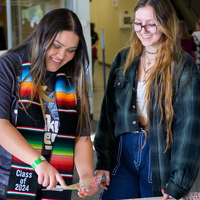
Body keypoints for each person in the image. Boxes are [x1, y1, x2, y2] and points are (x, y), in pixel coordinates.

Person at [94, 0, 200, 199]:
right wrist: (103, 162)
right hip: (122, 151)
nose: (143, 30)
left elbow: (189, 128)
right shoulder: (123, 59)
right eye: (138, 23)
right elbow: (108, 117)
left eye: (151, 23)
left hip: (158, 151)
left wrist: (178, 183)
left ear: (165, 23)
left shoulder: (183, 66)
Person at [0, 8, 98, 200]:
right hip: (8, 182)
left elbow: (82, 135)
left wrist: (87, 175)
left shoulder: (73, 78)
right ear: (41, 36)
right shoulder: (9, 67)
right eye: (56, 46)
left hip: (55, 185)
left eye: (70, 50)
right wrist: (38, 162)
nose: (61, 56)